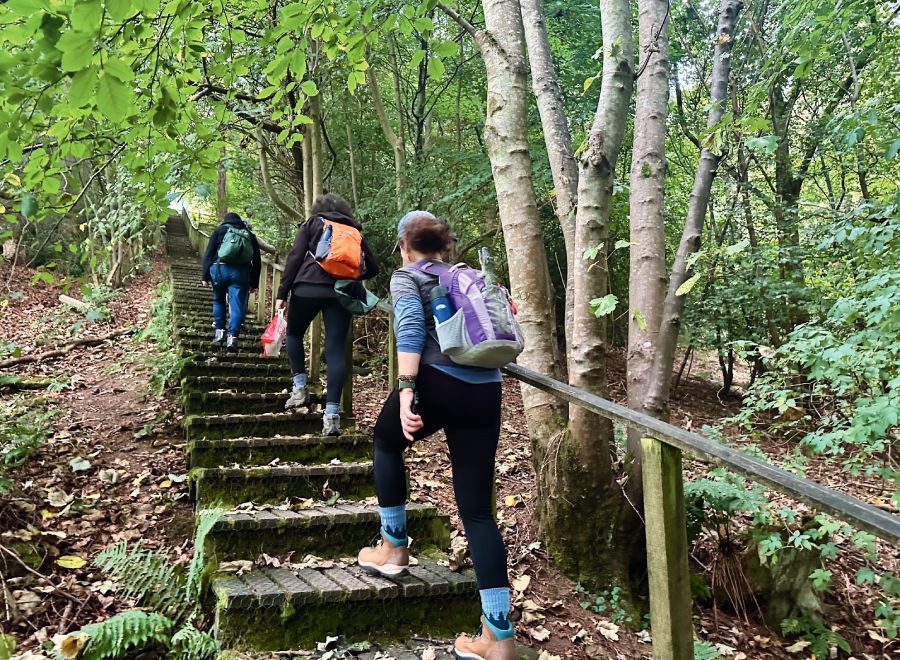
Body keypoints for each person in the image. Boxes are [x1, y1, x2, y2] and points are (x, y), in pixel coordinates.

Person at [356, 211, 514, 660]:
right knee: (478, 513)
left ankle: (393, 548)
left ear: (406, 245)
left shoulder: (408, 277)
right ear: (445, 245)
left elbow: (408, 328)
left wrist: (407, 391)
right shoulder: (466, 275)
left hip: (437, 383)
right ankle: (498, 637)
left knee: (387, 442)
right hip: (487, 390)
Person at [275, 193, 379, 436]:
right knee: (335, 351)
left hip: (307, 287)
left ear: (318, 208)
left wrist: (282, 292)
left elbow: (294, 258)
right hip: (340, 294)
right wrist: (349, 276)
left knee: (293, 334)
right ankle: (331, 416)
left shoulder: (313, 223)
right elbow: (373, 268)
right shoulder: (353, 231)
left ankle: (299, 388)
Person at [201, 212, 262, 352]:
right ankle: (232, 337)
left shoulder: (219, 231)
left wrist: (205, 277)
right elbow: (257, 261)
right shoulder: (249, 234)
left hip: (219, 270)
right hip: (241, 273)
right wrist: (254, 283)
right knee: (237, 305)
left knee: (218, 300)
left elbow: (208, 254)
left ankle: (219, 331)